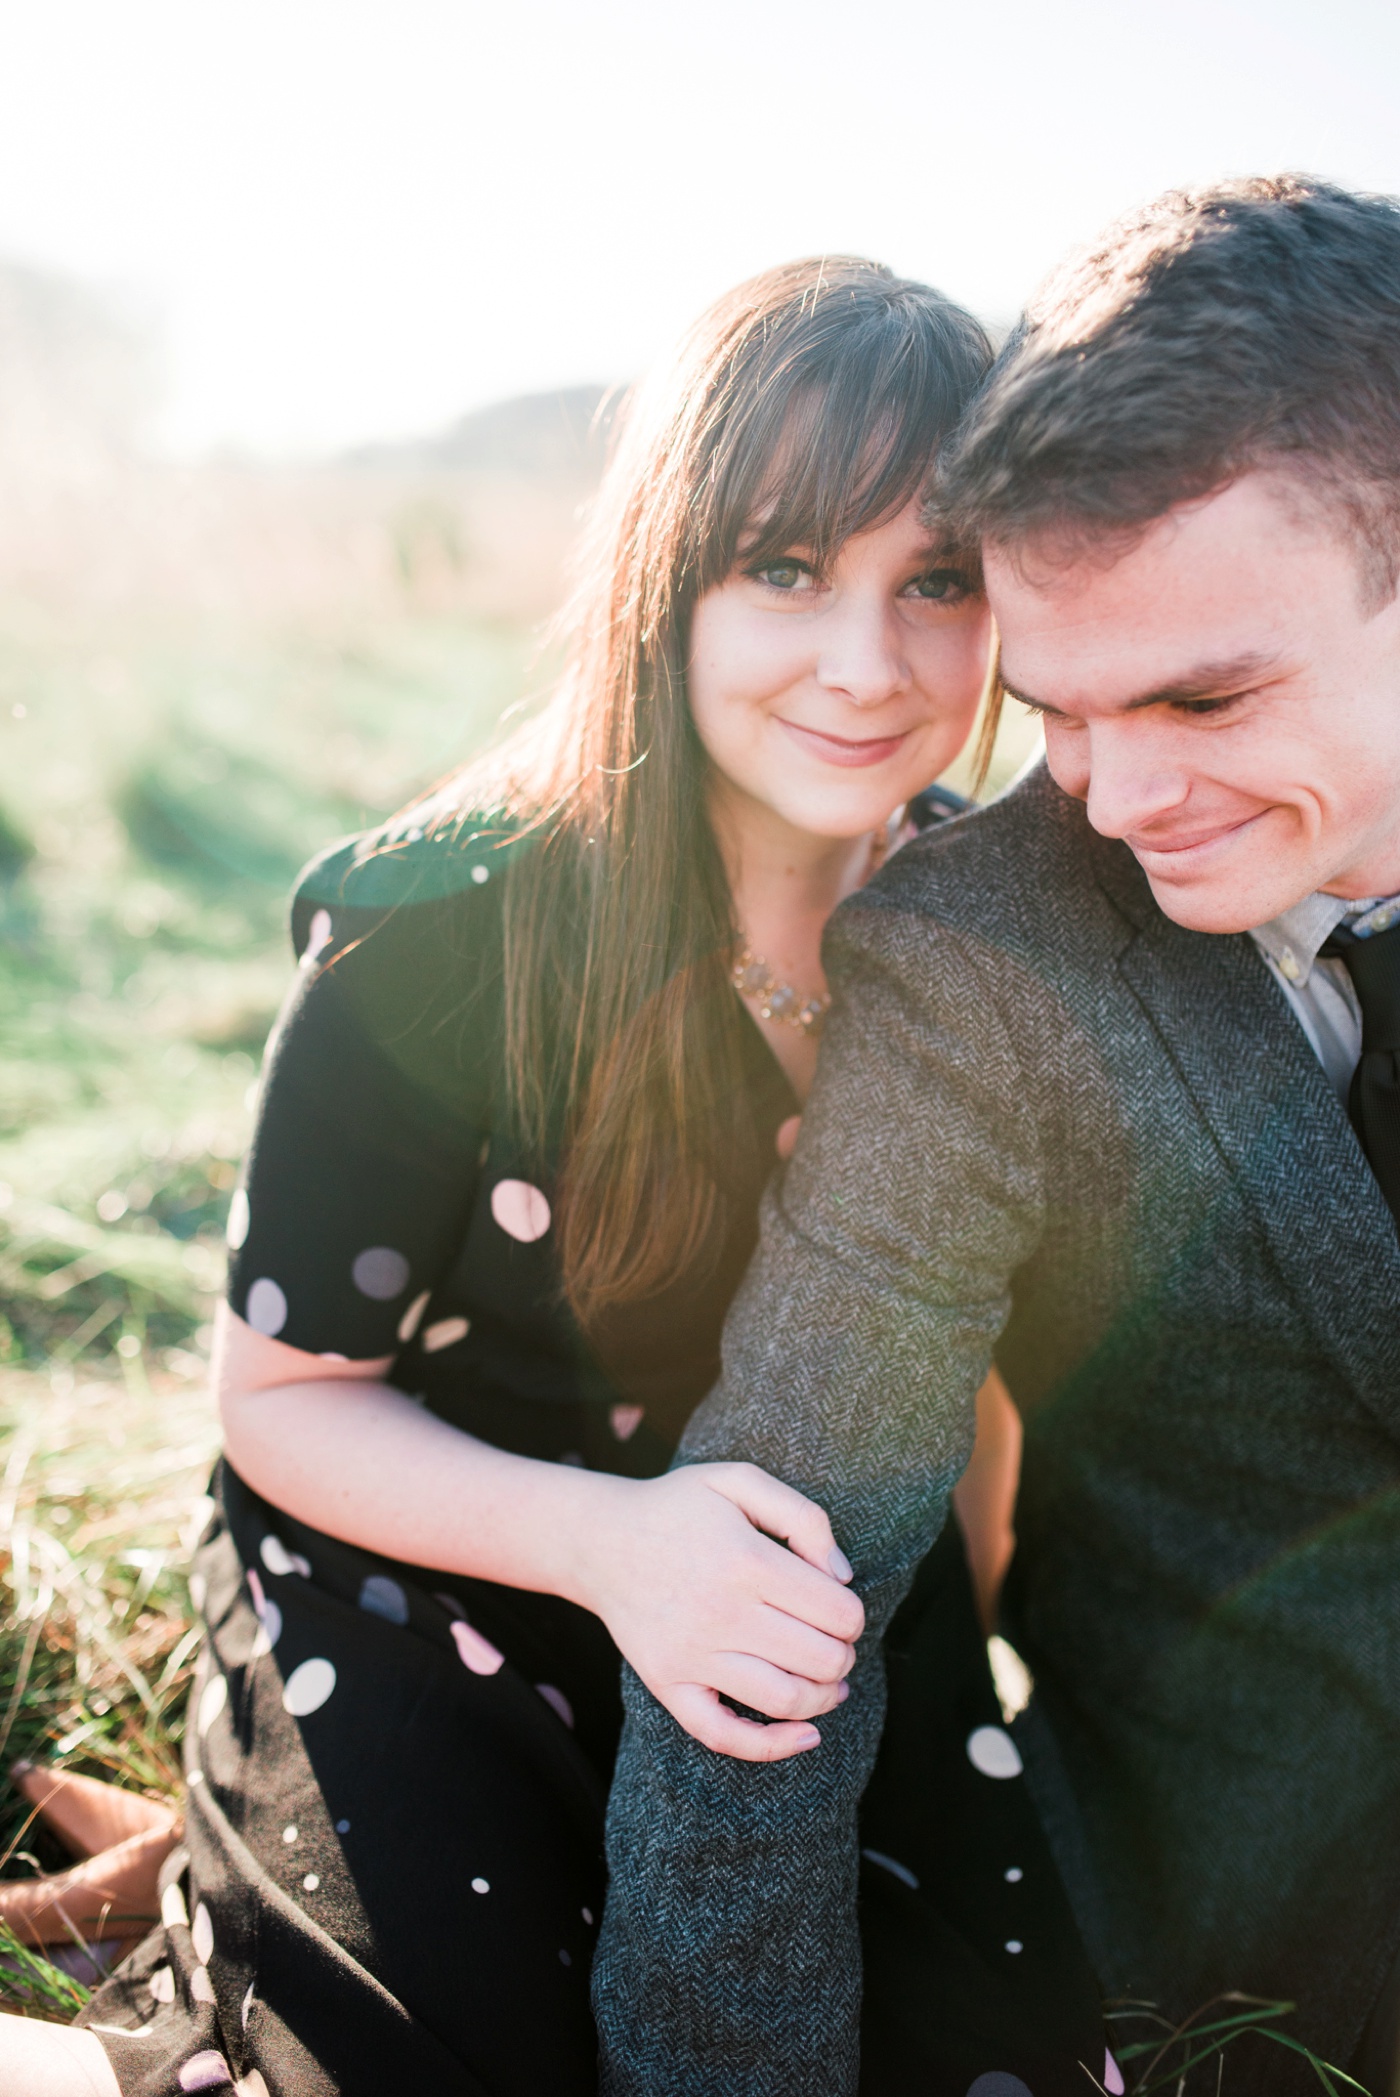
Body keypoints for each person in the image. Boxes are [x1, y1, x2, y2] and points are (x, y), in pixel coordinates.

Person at [0, 255, 1106, 2096]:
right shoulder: (446, 928)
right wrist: (611, 1548)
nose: (868, 661)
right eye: (784, 568)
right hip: (432, 1540)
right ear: (667, 577)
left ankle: (203, 1868)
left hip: (785, 1583)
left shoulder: (985, 929)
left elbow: (981, 1367)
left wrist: (971, 1674)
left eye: (938, 581)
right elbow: (281, 1398)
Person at [596, 176, 1400, 2097]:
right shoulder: (975, 961)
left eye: (1207, 693)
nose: (1120, 795)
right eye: (1057, 710)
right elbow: (785, 1591)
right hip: (1239, 1932)